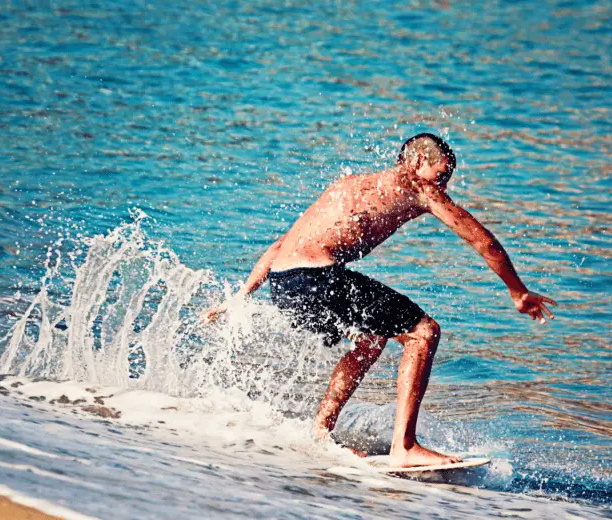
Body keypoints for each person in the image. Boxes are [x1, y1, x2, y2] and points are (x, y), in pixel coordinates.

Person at [202, 133, 557, 467]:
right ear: (417, 161)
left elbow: (282, 245)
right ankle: (404, 447)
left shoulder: (346, 186)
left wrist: (240, 297)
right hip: (318, 280)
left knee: (372, 338)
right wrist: (517, 290)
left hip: (285, 285)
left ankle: (321, 431)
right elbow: (483, 241)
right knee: (423, 332)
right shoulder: (423, 192)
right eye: (441, 175)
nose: (443, 186)